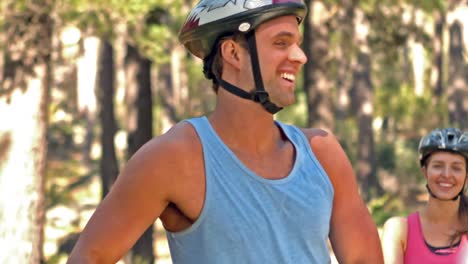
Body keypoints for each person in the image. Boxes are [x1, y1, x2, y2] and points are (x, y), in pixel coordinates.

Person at [68, 0, 384, 263]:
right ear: (232, 53)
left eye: (297, 44)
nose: (300, 57)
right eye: (281, 43)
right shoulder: (173, 158)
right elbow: (90, 257)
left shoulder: (322, 153)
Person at [381, 128, 468, 263]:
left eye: (456, 168)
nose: (446, 174)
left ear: (466, 176)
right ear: (424, 171)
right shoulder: (399, 231)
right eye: (438, 166)